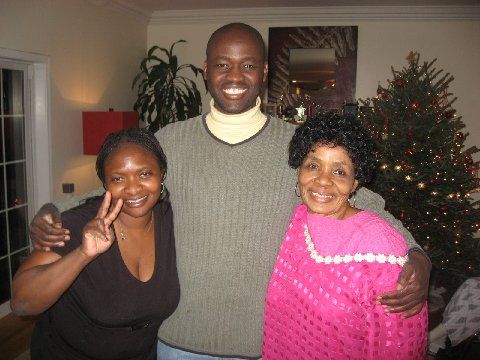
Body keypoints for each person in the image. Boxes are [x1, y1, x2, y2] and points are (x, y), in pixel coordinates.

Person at [29, 23, 430, 359]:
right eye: (222, 64)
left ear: (265, 71)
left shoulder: (298, 148)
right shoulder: (169, 142)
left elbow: (367, 204)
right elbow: (117, 185)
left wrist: (417, 253)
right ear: (206, 69)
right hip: (178, 342)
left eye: (247, 65)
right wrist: (52, 209)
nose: (234, 77)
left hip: (265, 343)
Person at [262, 113, 428, 359]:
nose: (323, 181)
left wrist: (421, 257)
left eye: (339, 172)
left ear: (355, 182)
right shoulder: (295, 221)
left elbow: (399, 346)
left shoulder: (380, 248)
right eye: (314, 166)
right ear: (299, 170)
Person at [12, 129, 180, 359]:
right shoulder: (79, 224)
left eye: (144, 173)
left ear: (161, 174)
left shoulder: (171, 220)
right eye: (118, 178)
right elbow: (22, 303)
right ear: (105, 184)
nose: (133, 188)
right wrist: (83, 254)